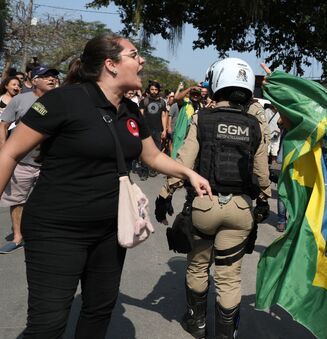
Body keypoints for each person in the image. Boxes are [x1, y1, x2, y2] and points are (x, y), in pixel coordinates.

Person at [0, 33, 211, 338]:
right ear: (111, 65)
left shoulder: (129, 110)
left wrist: (188, 173)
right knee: (47, 326)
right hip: (56, 231)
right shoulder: (64, 100)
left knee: (98, 313)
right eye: (134, 54)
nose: (141, 61)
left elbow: (151, 155)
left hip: (111, 233)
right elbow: (10, 152)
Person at [161, 57, 270, 339]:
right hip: (240, 210)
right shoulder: (255, 126)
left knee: (198, 266)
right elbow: (261, 173)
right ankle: (225, 335)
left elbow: (184, 160)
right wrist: (264, 200)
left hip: (204, 206)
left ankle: (196, 324)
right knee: (229, 277)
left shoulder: (202, 118)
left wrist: (165, 193)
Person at [0, 66, 59, 254]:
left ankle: (48, 236)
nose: (51, 79)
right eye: (46, 76)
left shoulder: (61, 101)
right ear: (34, 80)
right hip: (22, 162)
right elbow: (4, 125)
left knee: (52, 200)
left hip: (51, 163)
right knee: (17, 201)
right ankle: (18, 237)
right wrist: (4, 150)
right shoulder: (20, 100)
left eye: (54, 76)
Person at [138, 80, 169, 179]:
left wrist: (164, 130)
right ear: (149, 89)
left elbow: (164, 116)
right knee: (144, 150)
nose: (154, 91)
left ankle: (152, 169)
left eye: (156, 89)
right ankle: (144, 171)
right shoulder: (144, 101)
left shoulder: (162, 102)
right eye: (152, 89)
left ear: (158, 90)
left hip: (158, 129)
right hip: (146, 129)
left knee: (156, 150)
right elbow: (141, 115)